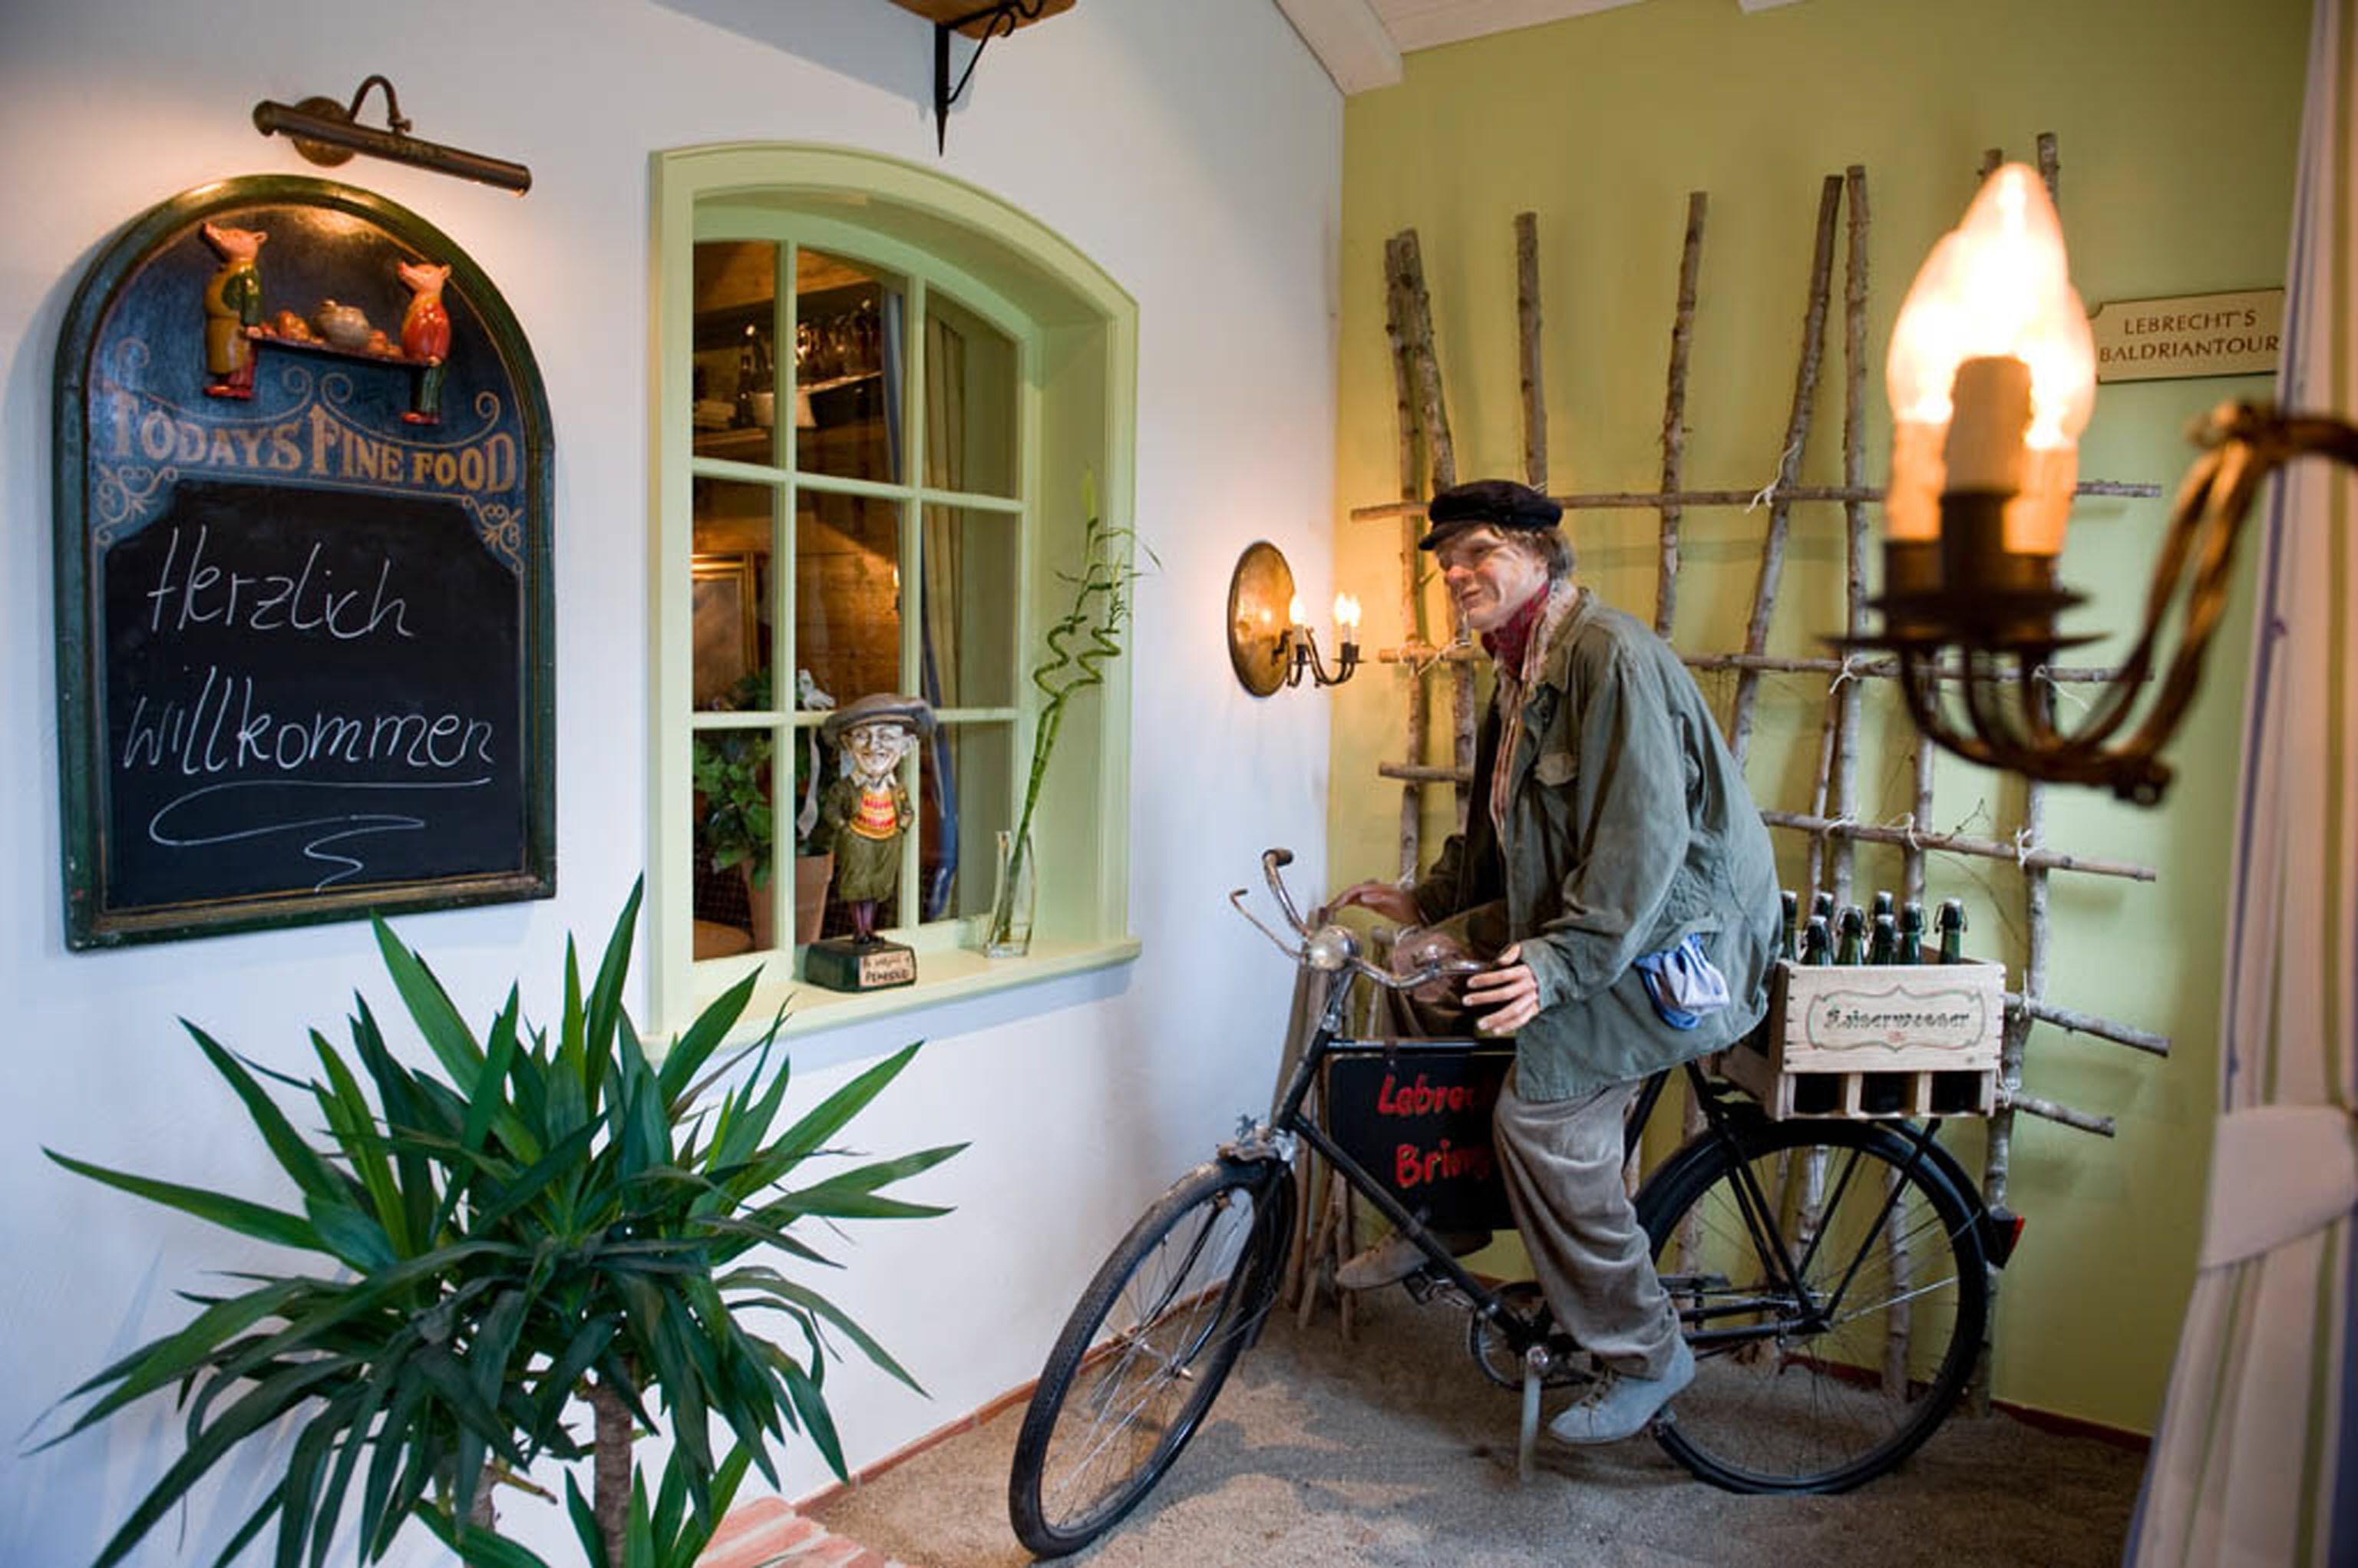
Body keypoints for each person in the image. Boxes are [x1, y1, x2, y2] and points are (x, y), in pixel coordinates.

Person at [1329, 477, 1780, 1446]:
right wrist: (1434, 904)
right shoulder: (1517, 669)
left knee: (1539, 1118)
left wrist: (1558, 968)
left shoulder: (1607, 658)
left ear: (1540, 555)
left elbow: (1642, 846)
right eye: (1448, 559)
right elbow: (1503, 838)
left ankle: (1645, 1352)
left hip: (1676, 941)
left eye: (1480, 551)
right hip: (1580, 919)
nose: (1458, 572)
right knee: (1417, 967)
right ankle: (1441, 1215)